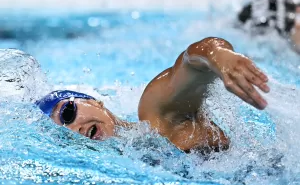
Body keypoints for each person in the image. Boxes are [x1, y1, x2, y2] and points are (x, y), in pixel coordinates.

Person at [36, 37, 270, 152]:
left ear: (95, 102)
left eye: (67, 113)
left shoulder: (156, 115)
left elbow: (190, 63)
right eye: (62, 135)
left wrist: (217, 54)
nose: (71, 130)